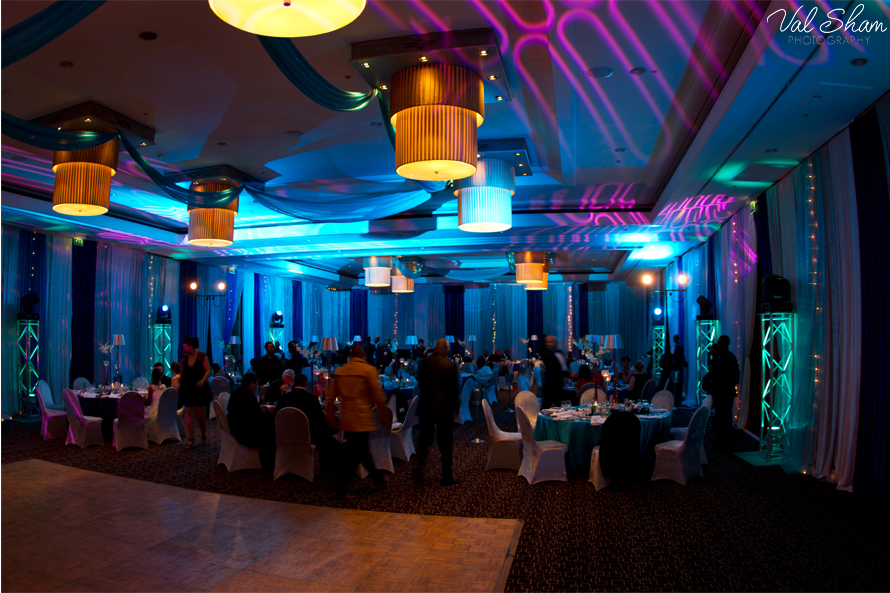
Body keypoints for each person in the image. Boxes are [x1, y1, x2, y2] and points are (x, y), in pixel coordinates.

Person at [327, 344, 390, 499]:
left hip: (347, 418)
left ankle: (378, 479)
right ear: (363, 355)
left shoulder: (341, 372)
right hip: (362, 417)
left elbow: (330, 398)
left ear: (350, 356)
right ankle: (340, 488)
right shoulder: (368, 371)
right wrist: (383, 416)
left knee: (360, 451)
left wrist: (331, 418)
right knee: (354, 455)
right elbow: (378, 397)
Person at [417, 338, 460, 486]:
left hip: (426, 406)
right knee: (446, 442)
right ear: (446, 349)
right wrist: (456, 408)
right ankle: (446, 475)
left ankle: (419, 468)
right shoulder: (450, 365)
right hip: (444, 408)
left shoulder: (424, 363)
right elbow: (454, 390)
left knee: (424, 440)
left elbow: (420, 383)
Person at [274, 373, 338, 470]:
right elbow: (320, 422)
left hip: (285, 436)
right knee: (332, 441)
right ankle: (326, 468)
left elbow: (276, 418)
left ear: (294, 384)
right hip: (307, 437)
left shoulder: (283, 399)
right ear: (306, 384)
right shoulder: (312, 399)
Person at [226, 373, 276, 468]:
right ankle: (268, 462)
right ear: (251, 383)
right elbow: (257, 419)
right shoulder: (249, 397)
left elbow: (244, 412)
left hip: (234, 428)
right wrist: (269, 412)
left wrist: (258, 408)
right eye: (256, 384)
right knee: (271, 430)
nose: (257, 387)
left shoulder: (235, 393)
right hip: (246, 434)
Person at [708, 335, 740, 450]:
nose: (718, 344)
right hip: (721, 392)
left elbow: (735, 376)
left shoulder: (729, 357)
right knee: (721, 417)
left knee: (725, 417)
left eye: (720, 342)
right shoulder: (721, 357)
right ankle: (721, 443)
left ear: (725, 344)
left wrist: (725, 384)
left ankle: (725, 443)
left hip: (726, 392)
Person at [179, 337, 211, 449]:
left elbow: (208, 371)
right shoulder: (184, 357)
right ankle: (190, 438)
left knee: (199, 414)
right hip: (188, 387)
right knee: (188, 412)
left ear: (191, 346)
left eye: (185, 347)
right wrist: (179, 384)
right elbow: (182, 372)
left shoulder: (202, 356)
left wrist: (202, 380)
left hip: (199, 387)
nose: (184, 349)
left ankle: (203, 430)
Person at [540, 335, 575, 409]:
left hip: (559, 384)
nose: (548, 344)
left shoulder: (560, 352)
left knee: (562, 406)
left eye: (550, 342)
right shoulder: (546, 354)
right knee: (547, 408)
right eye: (547, 342)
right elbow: (553, 369)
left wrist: (567, 371)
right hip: (550, 385)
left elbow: (562, 366)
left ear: (555, 342)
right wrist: (568, 374)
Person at [672, 335, 688, 406]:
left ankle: (678, 398)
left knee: (678, 382)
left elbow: (680, 356)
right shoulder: (679, 346)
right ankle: (678, 397)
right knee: (678, 382)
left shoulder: (678, 346)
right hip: (679, 365)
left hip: (678, 366)